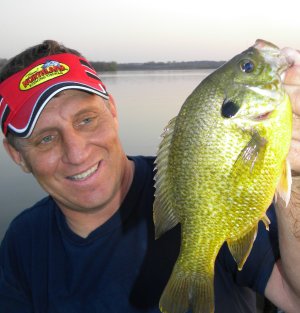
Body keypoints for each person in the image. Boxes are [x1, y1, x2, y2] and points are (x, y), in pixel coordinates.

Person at [0, 40, 299, 313]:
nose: (76, 153)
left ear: (113, 111)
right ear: (17, 156)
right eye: (46, 139)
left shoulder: (195, 187)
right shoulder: (22, 242)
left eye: (87, 120)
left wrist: (295, 175)